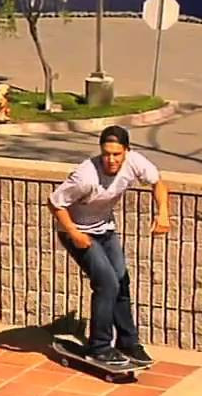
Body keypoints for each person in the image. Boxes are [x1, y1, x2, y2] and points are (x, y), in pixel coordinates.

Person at [48, 126, 171, 369]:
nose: (111, 160)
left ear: (127, 151)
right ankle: (100, 347)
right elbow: (54, 203)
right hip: (77, 233)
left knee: (121, 281)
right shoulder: (85, 177)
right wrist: (74, 232)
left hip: (104, 229)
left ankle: (127, 342)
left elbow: (158, 183)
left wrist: (163, 213)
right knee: (107, 283)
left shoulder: (135, 162)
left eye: (117, 154)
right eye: (106, 154)